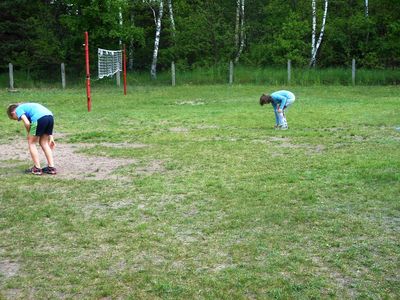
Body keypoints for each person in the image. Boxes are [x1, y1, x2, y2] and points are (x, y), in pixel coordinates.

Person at [7, 103, 57, 175]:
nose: (18, 119)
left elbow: (27, 123)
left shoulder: (18, 109)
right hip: (50, 117)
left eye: (15, 118)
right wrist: (51, 137)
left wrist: (29, 133)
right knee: (44, 143)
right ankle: (51, 168)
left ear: (13, 113)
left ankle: (37, 168)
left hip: (38, 119)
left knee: (31, 142)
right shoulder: (29, 107)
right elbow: (45, 117)